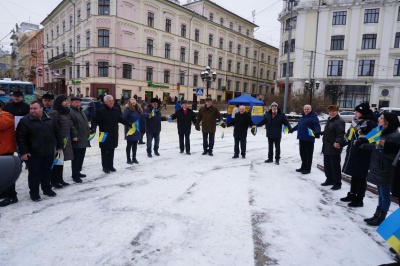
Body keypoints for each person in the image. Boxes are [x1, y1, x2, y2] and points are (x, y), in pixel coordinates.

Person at [16, 100, 64, 201]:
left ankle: (47, 189)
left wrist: (60, 144)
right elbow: (20, 138)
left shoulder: (50, 119)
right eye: (31, 108)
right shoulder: (25, 121)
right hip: (33, 153)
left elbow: (57, 132)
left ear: (41, 108)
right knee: (34, 174)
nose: (32, 110)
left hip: (49, 151)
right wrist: (24, 152)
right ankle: (34, 193)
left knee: (47, 172)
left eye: (35, 108)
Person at [361, 113, 400, 226]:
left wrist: (383, 149)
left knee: (385, 195)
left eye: (382, 118)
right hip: (378, 166)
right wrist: (363, 144)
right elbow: (376, 146)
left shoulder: (395, 136)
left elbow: (395, 156)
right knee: (380, 194)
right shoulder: (381, 131)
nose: (379, 119)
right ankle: (376, 215)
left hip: (386, 169)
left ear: (388, 121)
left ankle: (381, 217)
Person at [340, 102, 377, 207]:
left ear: (363, 112)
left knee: (361, 177)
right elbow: (349, 136)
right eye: (355, 111)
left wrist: (362, 145)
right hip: (353, 152)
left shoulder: (371, 124)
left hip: (363, 155)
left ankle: (359, 199)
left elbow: (374, 142)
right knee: (354, 176)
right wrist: (341, 143)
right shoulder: (355, 122)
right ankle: (352, 194)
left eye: (357, 111)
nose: (354, 113)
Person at [91, 95, 131, 173]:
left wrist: (129, 124)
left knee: (111, 150)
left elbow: (120, 119)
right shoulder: (101, 110)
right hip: (103, 134)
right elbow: (95, 121)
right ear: (105, 102)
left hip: (113, 134)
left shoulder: (115, 110)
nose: (111, 102)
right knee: (104, 151)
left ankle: (110, 166)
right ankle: (105, 167)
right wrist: (93, 128)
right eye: (110, 101)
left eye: (112, 101)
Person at [51, 95, 75, 187]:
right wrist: (58, 141)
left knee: (61, 161)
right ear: (59, 102)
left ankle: (60, 179)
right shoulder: (55, 112)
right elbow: (54, 128)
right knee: (56, 161)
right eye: (65, 101)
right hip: (58, 141)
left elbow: (69, 125)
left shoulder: (65, 112)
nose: (66, 102)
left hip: (65, 140)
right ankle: (54, 181)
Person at [321, 105, 346, 190]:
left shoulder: (339, 121)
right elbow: (328, 131)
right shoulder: (330, 120)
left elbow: (340, 133)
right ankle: (329, 179)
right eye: (330, 111)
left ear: (337, 111)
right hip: (327, 146)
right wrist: (320, 133)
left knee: (334, 166)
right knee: (327, 165)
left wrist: (338, 142)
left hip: (334, 146)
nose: (331, 113)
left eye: (333, 111)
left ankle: (337, 183)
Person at [290, 104, 321, 174]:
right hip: (301, 138)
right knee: (302, 154)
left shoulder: (314, 117)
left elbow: (316, 125)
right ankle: (303, 166)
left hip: (309, 139)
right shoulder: (302, 117)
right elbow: (298, 125)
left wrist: (317, 131)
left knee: (308, 155)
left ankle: (307, 169)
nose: (306, 110)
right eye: (305, 109)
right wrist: (292, 129)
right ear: (303, 110)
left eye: (308, 109)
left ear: (311, 109)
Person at [0, 100, 17, 207]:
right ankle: (3, 192)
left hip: (6, 150)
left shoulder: (7, 115)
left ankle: (12, 196)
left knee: (7, 175)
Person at [69, 97, 91, 181]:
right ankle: (75, 175)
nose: (78, 104)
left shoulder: (81, 111)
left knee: (81, 157)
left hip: (84, 138)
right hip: (77, 139)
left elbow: (84, 122)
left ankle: (78, 171)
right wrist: (74, 135)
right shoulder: (70, 112)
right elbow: (71, 126)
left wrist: (89, 128)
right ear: (72, 103)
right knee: (76, 158)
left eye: (79, 102)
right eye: (76, 102)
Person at [122, 98, 144, 164]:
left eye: (134, 99)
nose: (133, 100)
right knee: (129, 145)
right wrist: (129, 126)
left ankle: (134, 158)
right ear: (129, 102)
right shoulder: (127, 110)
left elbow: (141, 116)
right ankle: (128, 159)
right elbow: (123, 119)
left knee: (135, 145)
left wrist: (148, 115)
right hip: (130, 130)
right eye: (131, 99)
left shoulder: (138, 109)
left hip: (136, 130)